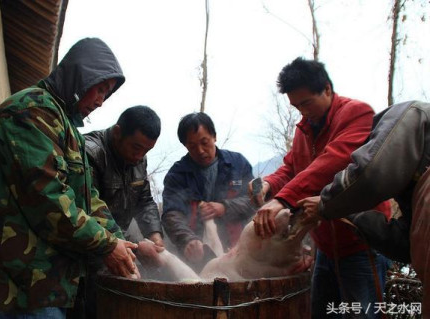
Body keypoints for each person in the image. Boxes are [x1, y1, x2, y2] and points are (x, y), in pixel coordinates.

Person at [0, 38, 138, 318]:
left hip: (38, 283)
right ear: (83, 76)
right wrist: (106, 244)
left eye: (107, 95)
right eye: (101, 89)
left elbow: (86, 196)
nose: (101, 102)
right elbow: (49, 199)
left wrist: (120, 241)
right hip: (11, 284)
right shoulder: (30, 112)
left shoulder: (63, 124)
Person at [249, 57, 391, 318]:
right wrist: (269, 184)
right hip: (326, 248)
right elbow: (292, 168)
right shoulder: (304, 129)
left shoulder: (357, 114)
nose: (302, 111)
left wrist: (282, 200)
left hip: (359, 242)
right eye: (295, 106)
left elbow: (332, 161)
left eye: (306, 103)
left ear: (326, 89)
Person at [298, 100, 430, 316]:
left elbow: (370, 175)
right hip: (329, 251)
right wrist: (352, 215)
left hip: (357, 254)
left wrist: (325, 205)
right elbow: (406, 244)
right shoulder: (413, 187)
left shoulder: (411, 116)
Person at [71, 105, 164, 319]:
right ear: (117, 132)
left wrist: (154, 237)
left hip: (118, 244)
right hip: (87, 252)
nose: (139, 156)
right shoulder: (89, 152)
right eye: (136, 148)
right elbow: (87, 208)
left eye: (146, 151)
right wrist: (127, 246)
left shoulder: (139, 158)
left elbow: (145, 200)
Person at [162, 112, 255, 272]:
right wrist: (188, 240)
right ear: (185, 146)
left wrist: (224, 207)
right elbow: (172, 214)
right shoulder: (177, 174)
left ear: (214, 136)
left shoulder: (237, 164)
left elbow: (253, 201)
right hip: (197, 257)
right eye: (192, 146)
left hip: (238, 250)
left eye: (204, 142)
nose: (200, 150)